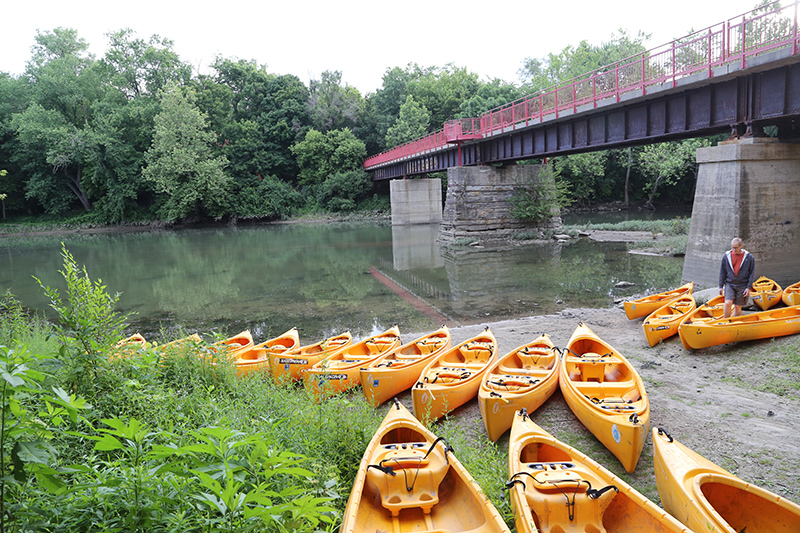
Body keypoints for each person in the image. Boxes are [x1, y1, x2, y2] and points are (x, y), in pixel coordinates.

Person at [718, 237, 756, 318]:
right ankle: (725, 322)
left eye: (736, 247)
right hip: (730, 284)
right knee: (728, 303)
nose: (734, 249)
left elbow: (751, 273)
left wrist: (748, 287)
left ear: (741, 245)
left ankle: (735, 324)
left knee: (738, 306)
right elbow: (722, 272)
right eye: (733, 247)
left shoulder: (749, 257)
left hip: (742, 285)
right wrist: (721, 286)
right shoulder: (726, 256)